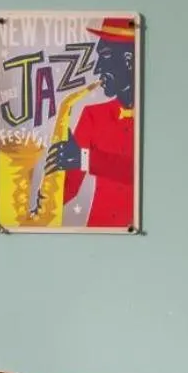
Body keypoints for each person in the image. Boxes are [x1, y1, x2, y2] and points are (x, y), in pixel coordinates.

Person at [44, 17, 136, 229]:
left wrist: (84, 158)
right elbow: (69, 187)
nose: (97, 69)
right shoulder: (92, 115)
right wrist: (46, 195)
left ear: (129, 60)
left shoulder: (162, 119)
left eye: (104, 57)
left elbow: (140, 171)